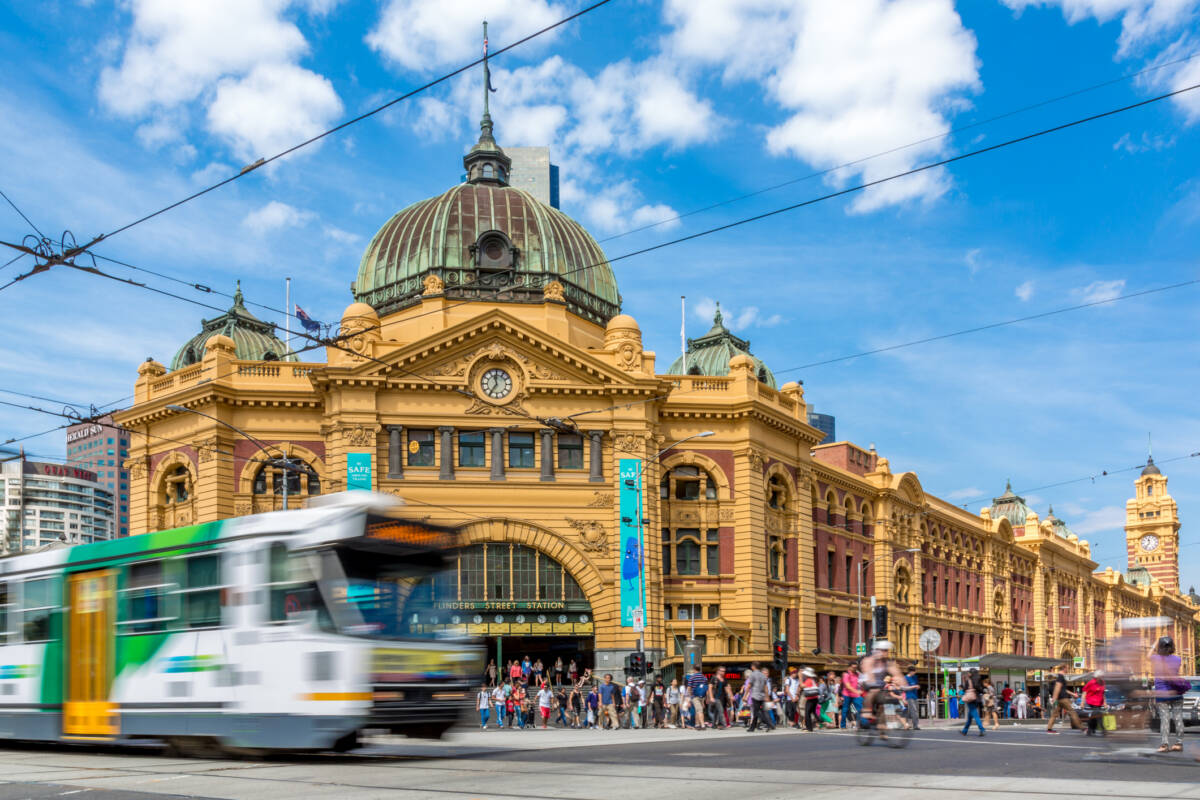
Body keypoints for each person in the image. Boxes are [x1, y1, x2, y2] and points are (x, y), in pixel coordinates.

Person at [1151, 635, 1187, 753]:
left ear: (1160, 647)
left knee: (1165, 720)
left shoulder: (1156, 658)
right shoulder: (1177, 659)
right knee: (1178, 718)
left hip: (1162, 694)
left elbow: (1148, 656)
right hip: (1176, 693)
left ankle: (1164, 745)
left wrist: (1155, 644)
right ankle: (1179, 743)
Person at [1044, 669, 1082, 734]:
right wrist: (1073, 694)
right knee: (1072, 712)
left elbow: (1054, 692)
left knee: (1054, 715)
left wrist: (1054, 698)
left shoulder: (1049, 686)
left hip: (1058, 700)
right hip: (1063, 698)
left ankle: (1049, 729)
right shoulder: (1057, 682)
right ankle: (1081, 727)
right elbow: (1063, 690)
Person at [746, 662, 775, 732]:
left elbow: (749, 685)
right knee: (762, 711)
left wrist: (745, 695)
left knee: (756, 712)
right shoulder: (763, 675)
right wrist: (767, 696)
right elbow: (765, 687)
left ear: (753, 667)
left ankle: (768, 723)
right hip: (762, 696)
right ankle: (752, 727)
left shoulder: (752, 674)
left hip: (755, 695)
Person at [960, 668, 985, 737]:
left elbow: (964, 689)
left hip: (970, 699)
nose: (968, 673)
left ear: (972, 673)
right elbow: (981, 689)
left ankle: (982, 729)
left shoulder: (969, 680)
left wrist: (965, 683)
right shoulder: (978, 680)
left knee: (975, 715)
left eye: (969, 672)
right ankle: (964, 731)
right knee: (970, 717)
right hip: (976, 699)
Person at [685, 665, 708, 730]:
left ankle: (702, 725)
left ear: (694, 669)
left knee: (699, 710)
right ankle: (697, 724)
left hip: (695, 696)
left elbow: (689, 688)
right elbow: (706, 688)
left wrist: (689, 696)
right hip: (702, 696)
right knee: (698, 710)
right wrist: (706, 698)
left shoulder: (692, 678)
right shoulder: (704, 677)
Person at [801, 667, 821, 732]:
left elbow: (802, 686)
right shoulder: (813, 680)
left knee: (807, 713)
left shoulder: (808, 680)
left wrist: (799, 677)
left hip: (810, 699)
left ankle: (809, 727)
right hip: (815, 698)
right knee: (812, 711)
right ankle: (819, 720)